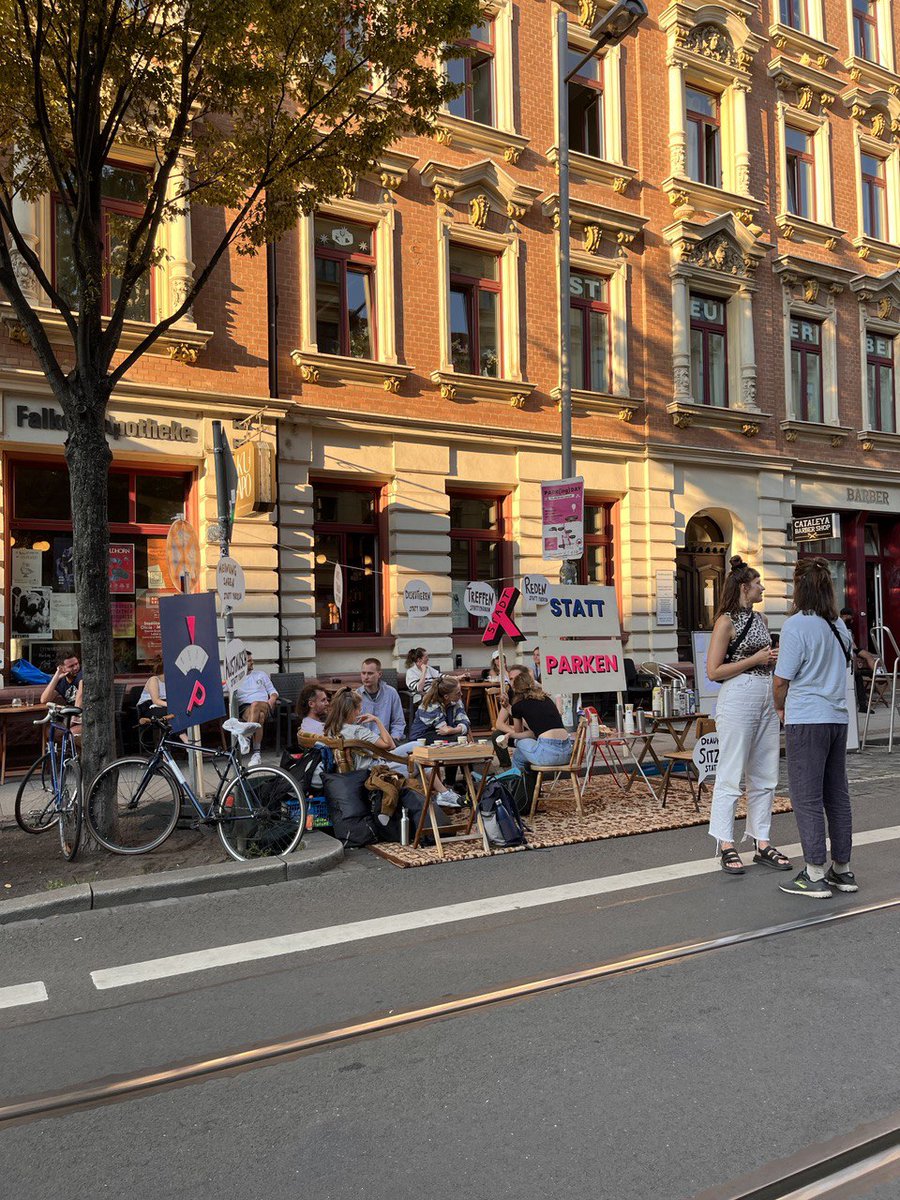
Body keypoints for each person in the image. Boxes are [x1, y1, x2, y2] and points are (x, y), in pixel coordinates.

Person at [773, 558, 857, 899]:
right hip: (838, 718)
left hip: (807, 718)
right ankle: (842, 869)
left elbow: (782, 679)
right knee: (837, 795)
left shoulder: (797, 626)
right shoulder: (838, 625)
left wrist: (779, 705)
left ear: (799, 588)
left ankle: (814, 873)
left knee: (806, 797)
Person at [705, 556, 790, 876]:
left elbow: (761, 660)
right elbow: (713, 671)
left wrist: (770, 661)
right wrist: (755, 658)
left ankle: (761, 839)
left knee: (766, 774)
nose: (763, 588)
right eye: (757, 584)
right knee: (731, 772)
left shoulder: (763, 621)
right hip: (737, 698)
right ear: (744, 588)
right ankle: (726, 842)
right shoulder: (725, 621)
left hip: (765, 697)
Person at [495, 669, 573, 772]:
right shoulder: (546, 699)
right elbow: (535, 731)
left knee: (519, 741)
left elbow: (519, 732)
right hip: (567, 753)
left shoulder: (518, 706)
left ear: (515, 688)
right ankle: (523, 786)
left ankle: (514, 784)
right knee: (518, 756)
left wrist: (509, 735)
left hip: (547, 755)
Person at [324, 686, 400, 772]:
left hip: (353, 770)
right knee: (413, 751)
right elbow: (390, 745)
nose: (360, 712)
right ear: (352, 710)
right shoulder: (358, 731)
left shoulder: (331, 729)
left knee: (410, 746)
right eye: (359, 709)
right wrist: (377, 720)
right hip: (374, 769)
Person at [234, 653, 279, 766]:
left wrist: (271, 700)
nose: (252, 662)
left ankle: (247, 738)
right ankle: (257, 754)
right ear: (241, 664)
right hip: (245, 708)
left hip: (264, 705)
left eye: (251, 660)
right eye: (249, 661)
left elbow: (273, 692)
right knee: (260, 716)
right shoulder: (235, 679)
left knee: (256, 705)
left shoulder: (260, 675)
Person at [357, 658, 406, 741]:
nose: (366, 677)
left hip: (386, 742)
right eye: (363, 673)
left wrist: (394, 738)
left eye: (370, 673)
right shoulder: (356, 695)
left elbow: (398, 722)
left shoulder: (391, 693)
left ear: (379, 674)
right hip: (364, 743)